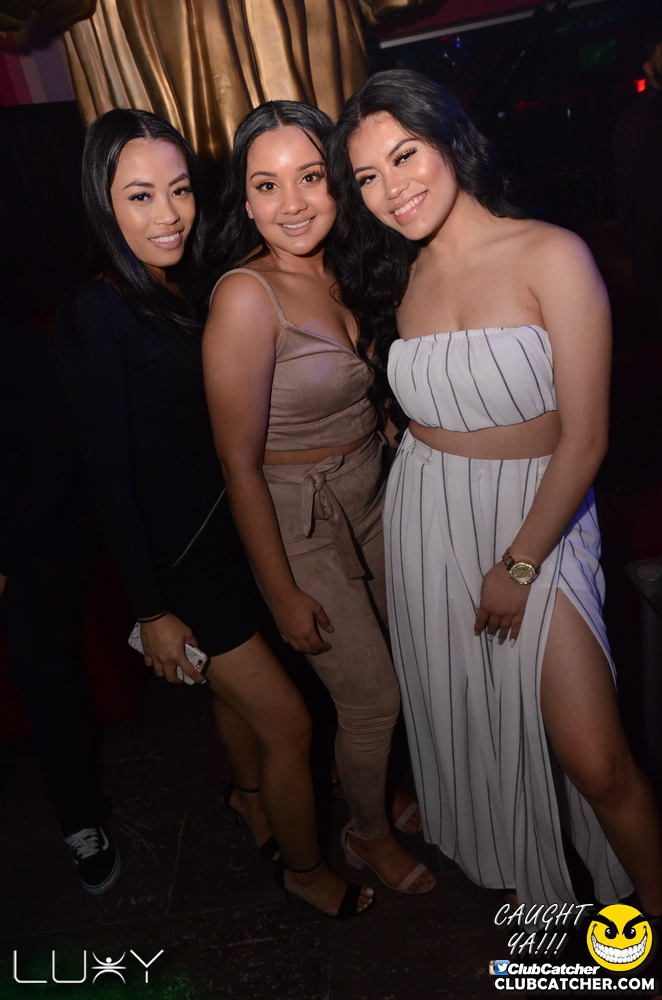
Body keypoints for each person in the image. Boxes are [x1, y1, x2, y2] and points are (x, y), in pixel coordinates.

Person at [325, 69, 662, 913]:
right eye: (367, 176)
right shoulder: (394, 278)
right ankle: (542, 896)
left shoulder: (551, 254)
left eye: (405, 155)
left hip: (540, 516)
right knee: (481, 729)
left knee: (595, 757)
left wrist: (517, 564)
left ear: (449, 139)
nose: (392, 188)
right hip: (428, 517)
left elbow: (586, 439)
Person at [58, 107, 373, 919]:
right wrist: (151, 611)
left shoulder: (187, 283)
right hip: (181, 565)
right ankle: (305, 872)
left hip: (228, 532)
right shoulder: (99, 310)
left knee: (233, 701)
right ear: (102, 203)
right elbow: (107, 478)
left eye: (179, 190)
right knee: (291, 724)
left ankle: (248, 796)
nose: (167, 215)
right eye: (139, 197)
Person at [202, 100, 435, 895]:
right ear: (245, 201)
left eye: (310, 177)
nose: (292, 203)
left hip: (374, 494)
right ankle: (366, 833)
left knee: (406, 664)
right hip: (298, 524)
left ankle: (382, 789)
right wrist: (282, 593)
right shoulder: (246, 296)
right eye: (266, 185)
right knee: (372, 698)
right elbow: (237, 464)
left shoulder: (348, 267)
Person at [0, 318, 119, 895]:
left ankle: (80, 819)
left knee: (43, 669)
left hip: (36, 539)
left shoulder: (19, 345)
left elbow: (55, 461)